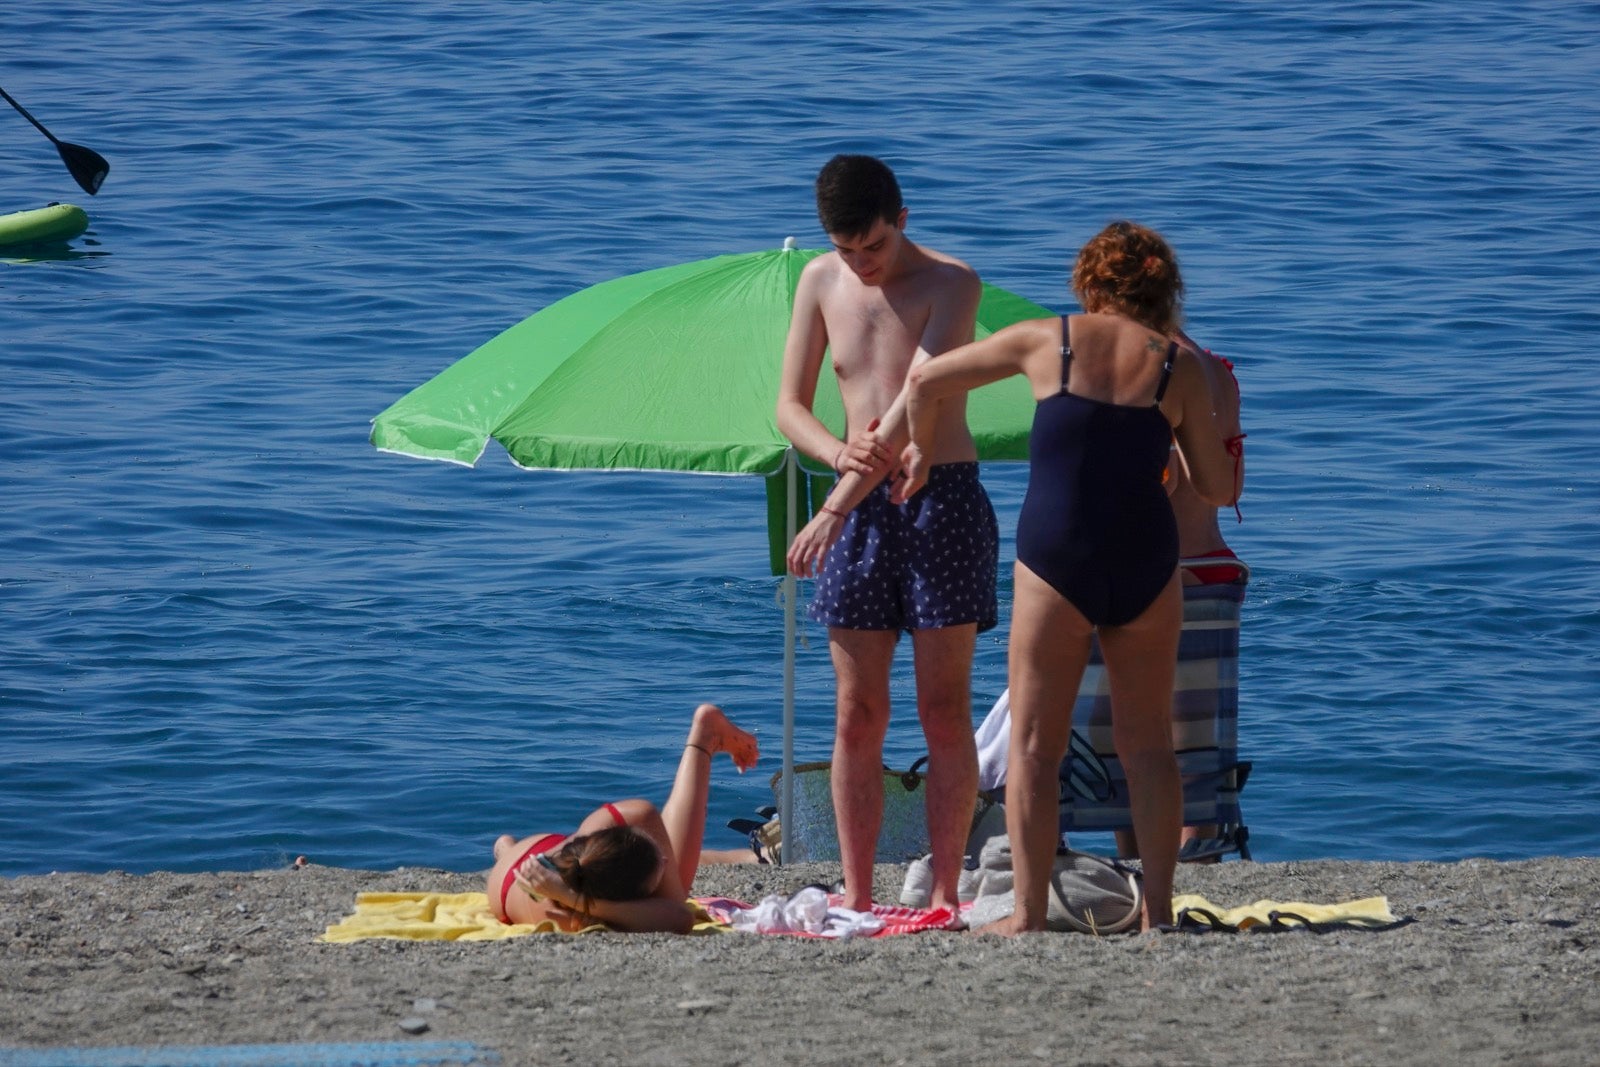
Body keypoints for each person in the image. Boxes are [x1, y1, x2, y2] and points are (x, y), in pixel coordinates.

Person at [894, 221, 1243, 933]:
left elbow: (927, 376)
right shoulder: (1182, 365)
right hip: (1147, 559)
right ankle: (1159, 916)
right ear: (1162, 286)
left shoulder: (1044, 338)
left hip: (1057, 560)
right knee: (1149, 745)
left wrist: (922, 453)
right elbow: (1213, 487)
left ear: (1088, 282)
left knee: (1034, 747)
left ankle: (1024, 913)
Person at [777, 154, 999, 914]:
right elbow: (789, 406)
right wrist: (838, 454)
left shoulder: (952, 283)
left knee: (943, 707)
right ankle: (858, 891)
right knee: (856, 712)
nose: (860, 264)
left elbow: (917, 395)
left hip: (942, 500)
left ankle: (943, 889)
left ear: (902, 221)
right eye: (846, 250)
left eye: (872, 246)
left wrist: (834, 503)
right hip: (858, 498)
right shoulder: (818, 282)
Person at [486, 703, 760, 933]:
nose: (667, 860)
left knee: (637, 819)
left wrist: (570, 894)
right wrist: (571, 897)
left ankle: (506, 847)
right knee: (674, 889)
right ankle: (705, 740)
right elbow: (679, 917)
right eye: (659, 868)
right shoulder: (571, 918)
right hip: (534, 860)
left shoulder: (577, 902)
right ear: (633, 897)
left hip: (559, 858)